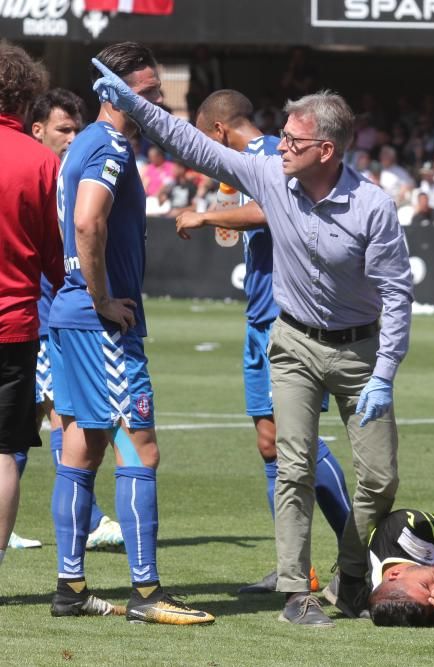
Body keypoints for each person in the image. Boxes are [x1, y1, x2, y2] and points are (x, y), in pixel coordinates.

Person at [92, 55, 413, 626]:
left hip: (362, 353)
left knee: (381, 479)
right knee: (291, 466)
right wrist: (132, 101)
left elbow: (396, 294)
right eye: (282, 134)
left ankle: (351, 574)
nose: (279, 145)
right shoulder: (269, 173)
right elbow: (193, 146)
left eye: (293, 139)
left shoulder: (374, 207)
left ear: (327, 150)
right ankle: (296, 592)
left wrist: (385, 373)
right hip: (293, 343)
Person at [47, 42, 214, 624]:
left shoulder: (82, 145)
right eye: (146, 95)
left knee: (80, 444)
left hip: (69, 318)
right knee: (140, 449)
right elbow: (88, 219)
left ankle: (71, 588)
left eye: (157, 94)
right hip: (99, 324)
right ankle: (147, 594)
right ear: (113, 93)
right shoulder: (110, 146)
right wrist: (101, 299)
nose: (156, 106)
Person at [173, 89, 352, 595]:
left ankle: (359, 554)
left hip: (284, 318)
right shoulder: (248, 170)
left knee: (301, 441)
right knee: (271, 443)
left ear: (218, 134)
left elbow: (275, 211)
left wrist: (207, 216)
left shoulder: (278, 153)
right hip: (257, 319)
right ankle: (295, 566)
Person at [15, 88, 125, 553]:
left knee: (50, 418)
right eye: (63, 129)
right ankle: (91, 521)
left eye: (76, 129)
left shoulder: (65, 176)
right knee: (53, 419)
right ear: (36, 130)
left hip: (44, 320)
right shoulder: (42, 177)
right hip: (39, 320)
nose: (72, 137)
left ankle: (88, 519)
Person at [0, 41, 64, 578]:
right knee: (2, 453)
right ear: (26, 98)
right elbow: (54, 254)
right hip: (15, 325)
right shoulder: (42, 160)